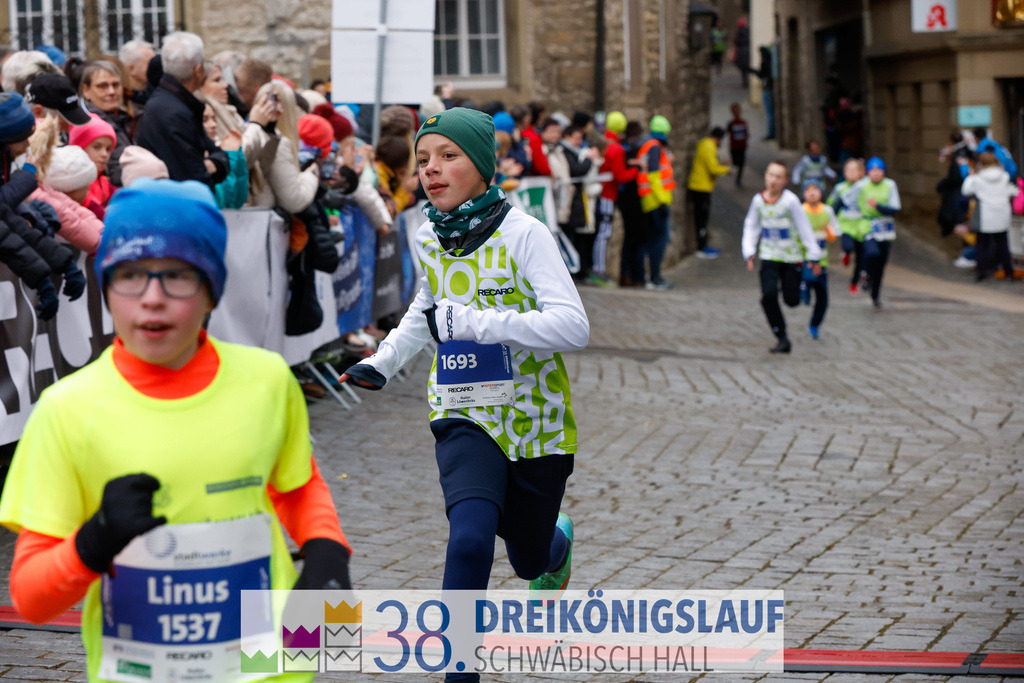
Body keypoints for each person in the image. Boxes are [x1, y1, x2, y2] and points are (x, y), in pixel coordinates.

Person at [0, 179, 353, 683]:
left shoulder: (267, 380)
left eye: (178, 276)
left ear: (211, 290)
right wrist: (92, 542)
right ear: (106, 287)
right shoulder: (67, 410)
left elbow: (296, 484)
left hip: (265, 666)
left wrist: (326, 548)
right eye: (129, 275)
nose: (153, 299)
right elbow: (31, 600)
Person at [340, 109, 588, 683]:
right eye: (424, 159)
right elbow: (428, 309)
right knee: (470, 541)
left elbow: (573, 327)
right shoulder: (428, 235)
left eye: (448, 156)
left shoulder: (525, 234)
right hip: (463, 410)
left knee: (528, 557)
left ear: (480, 165)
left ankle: (555, 547)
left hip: (535, 419)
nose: (431, 169)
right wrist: (383, 360)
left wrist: (477, 323)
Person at [741, 160, 822, 353]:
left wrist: (814, 255)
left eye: (778, 177)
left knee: (791, 300)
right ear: (765, 176)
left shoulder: (790, 201)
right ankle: (782, 337)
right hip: (769, 255)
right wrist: (749, 251)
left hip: (791, 258)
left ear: (785, 180)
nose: (773, 180)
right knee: (768, 296)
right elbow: (751, 225)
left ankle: (801, 288)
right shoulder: (758, 201)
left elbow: (804, 227)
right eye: (771, 175)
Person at [135, 32, 229, 189]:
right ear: (198, 71)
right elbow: (195, 178)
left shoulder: (173, 103)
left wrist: (215, 163)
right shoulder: (175, 113)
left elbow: (218, 154)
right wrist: (212, 165)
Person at [28, 144, 104, 254]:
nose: (88, 188)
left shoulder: (47, 194)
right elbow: (72, 222)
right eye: (85, 186)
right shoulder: (48, 205)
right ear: (70, 190)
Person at [593, 110, 638, 288]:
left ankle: (597, 268)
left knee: (600, 232)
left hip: (599, 193)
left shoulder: (604, 142)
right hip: (608, 195)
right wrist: (637, 169)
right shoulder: (617, 148)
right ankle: (599, 269)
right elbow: (621, 176)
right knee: (604, 233)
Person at [848, 156, 900, 308]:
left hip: (885, 228)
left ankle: (875, 295)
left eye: (879, 171)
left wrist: (878, 206)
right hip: (867, 225)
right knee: (872, 252)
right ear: (868, 172)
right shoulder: (862, 185)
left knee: (881, 265)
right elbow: (846, 198)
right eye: (873, 170)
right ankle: (865, 275)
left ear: (883, 172)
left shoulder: (890, 185)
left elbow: (894, 210)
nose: (876, 174)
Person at [961, 151, 1019, 281]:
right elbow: (1012, 191)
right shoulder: (1004, 176)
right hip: (1002, 213)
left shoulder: (977, 178)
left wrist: (970, 176)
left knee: (982, 245)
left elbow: (965, 191)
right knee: (1003, 244)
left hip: (985, 214)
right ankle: (1008, 272)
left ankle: (982, 273)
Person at [78, 60, 135, 187]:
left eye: (116, 85)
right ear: (86, 90)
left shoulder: (123, 117)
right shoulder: (83, 123)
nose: (111, 91)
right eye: (102, 86)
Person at [638, 114, 676, 288]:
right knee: (660, 239)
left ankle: (651, 276)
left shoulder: (648, 145)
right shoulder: (654, 147)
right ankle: (655, 277)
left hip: (649, 199)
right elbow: (653, 175)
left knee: (654, 239)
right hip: (655, 201)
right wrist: (662, 201)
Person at [799, 178, 839, 339]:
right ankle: (805, 289)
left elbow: (835, 234)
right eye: (808, 189)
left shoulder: (827, 211)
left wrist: (829, 231)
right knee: (808, 277)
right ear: (803, 193)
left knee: (823, 298)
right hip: (804, 258)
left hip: (822, 260)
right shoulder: (800, 211)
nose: (812, 193)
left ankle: (815, 324)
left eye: (815, 189)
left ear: (821, 192)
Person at [686, 125, 730, 259]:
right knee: (702, 219)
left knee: (701, 218)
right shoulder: (709, 147)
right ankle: (701, 247)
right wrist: (727, 169)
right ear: (719, 138)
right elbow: (713, 169)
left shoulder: (704, 144)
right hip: (701, 188)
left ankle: (702, 245)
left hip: (699, 186)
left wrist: (722, 164)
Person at [827, 157, 869, 295]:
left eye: (854, 170)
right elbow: (831, 204)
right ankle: (845, 253)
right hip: (845, 224)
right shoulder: (840, 188)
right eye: (848, 170)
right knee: (848, 246)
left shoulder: (864, 186)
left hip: (861, 226)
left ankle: (854, 282)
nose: (851, 173)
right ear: (844, 173)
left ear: (860, 172)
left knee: (861, 257)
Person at [69, 113, 117, 214]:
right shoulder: (77, 185)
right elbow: (97, 212)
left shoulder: (103, 181)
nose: (104, 154)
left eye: (108, 149)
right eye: (96, 147)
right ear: (79, 148)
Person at [118, 40, 155, 109]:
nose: (155, 67)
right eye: (150, 64)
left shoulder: (157, 92)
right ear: (131, 68)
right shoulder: (118, 99)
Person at [726, 102, 748, 188]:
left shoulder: (743, 122)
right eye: (735, 111)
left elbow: (746, 133)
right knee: (735, 163)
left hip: (741, 146)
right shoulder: (731, 123)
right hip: (734, 147)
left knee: (741, 163)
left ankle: (738, 180)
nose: (737, 112)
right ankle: (730, 172)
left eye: (738, 110)